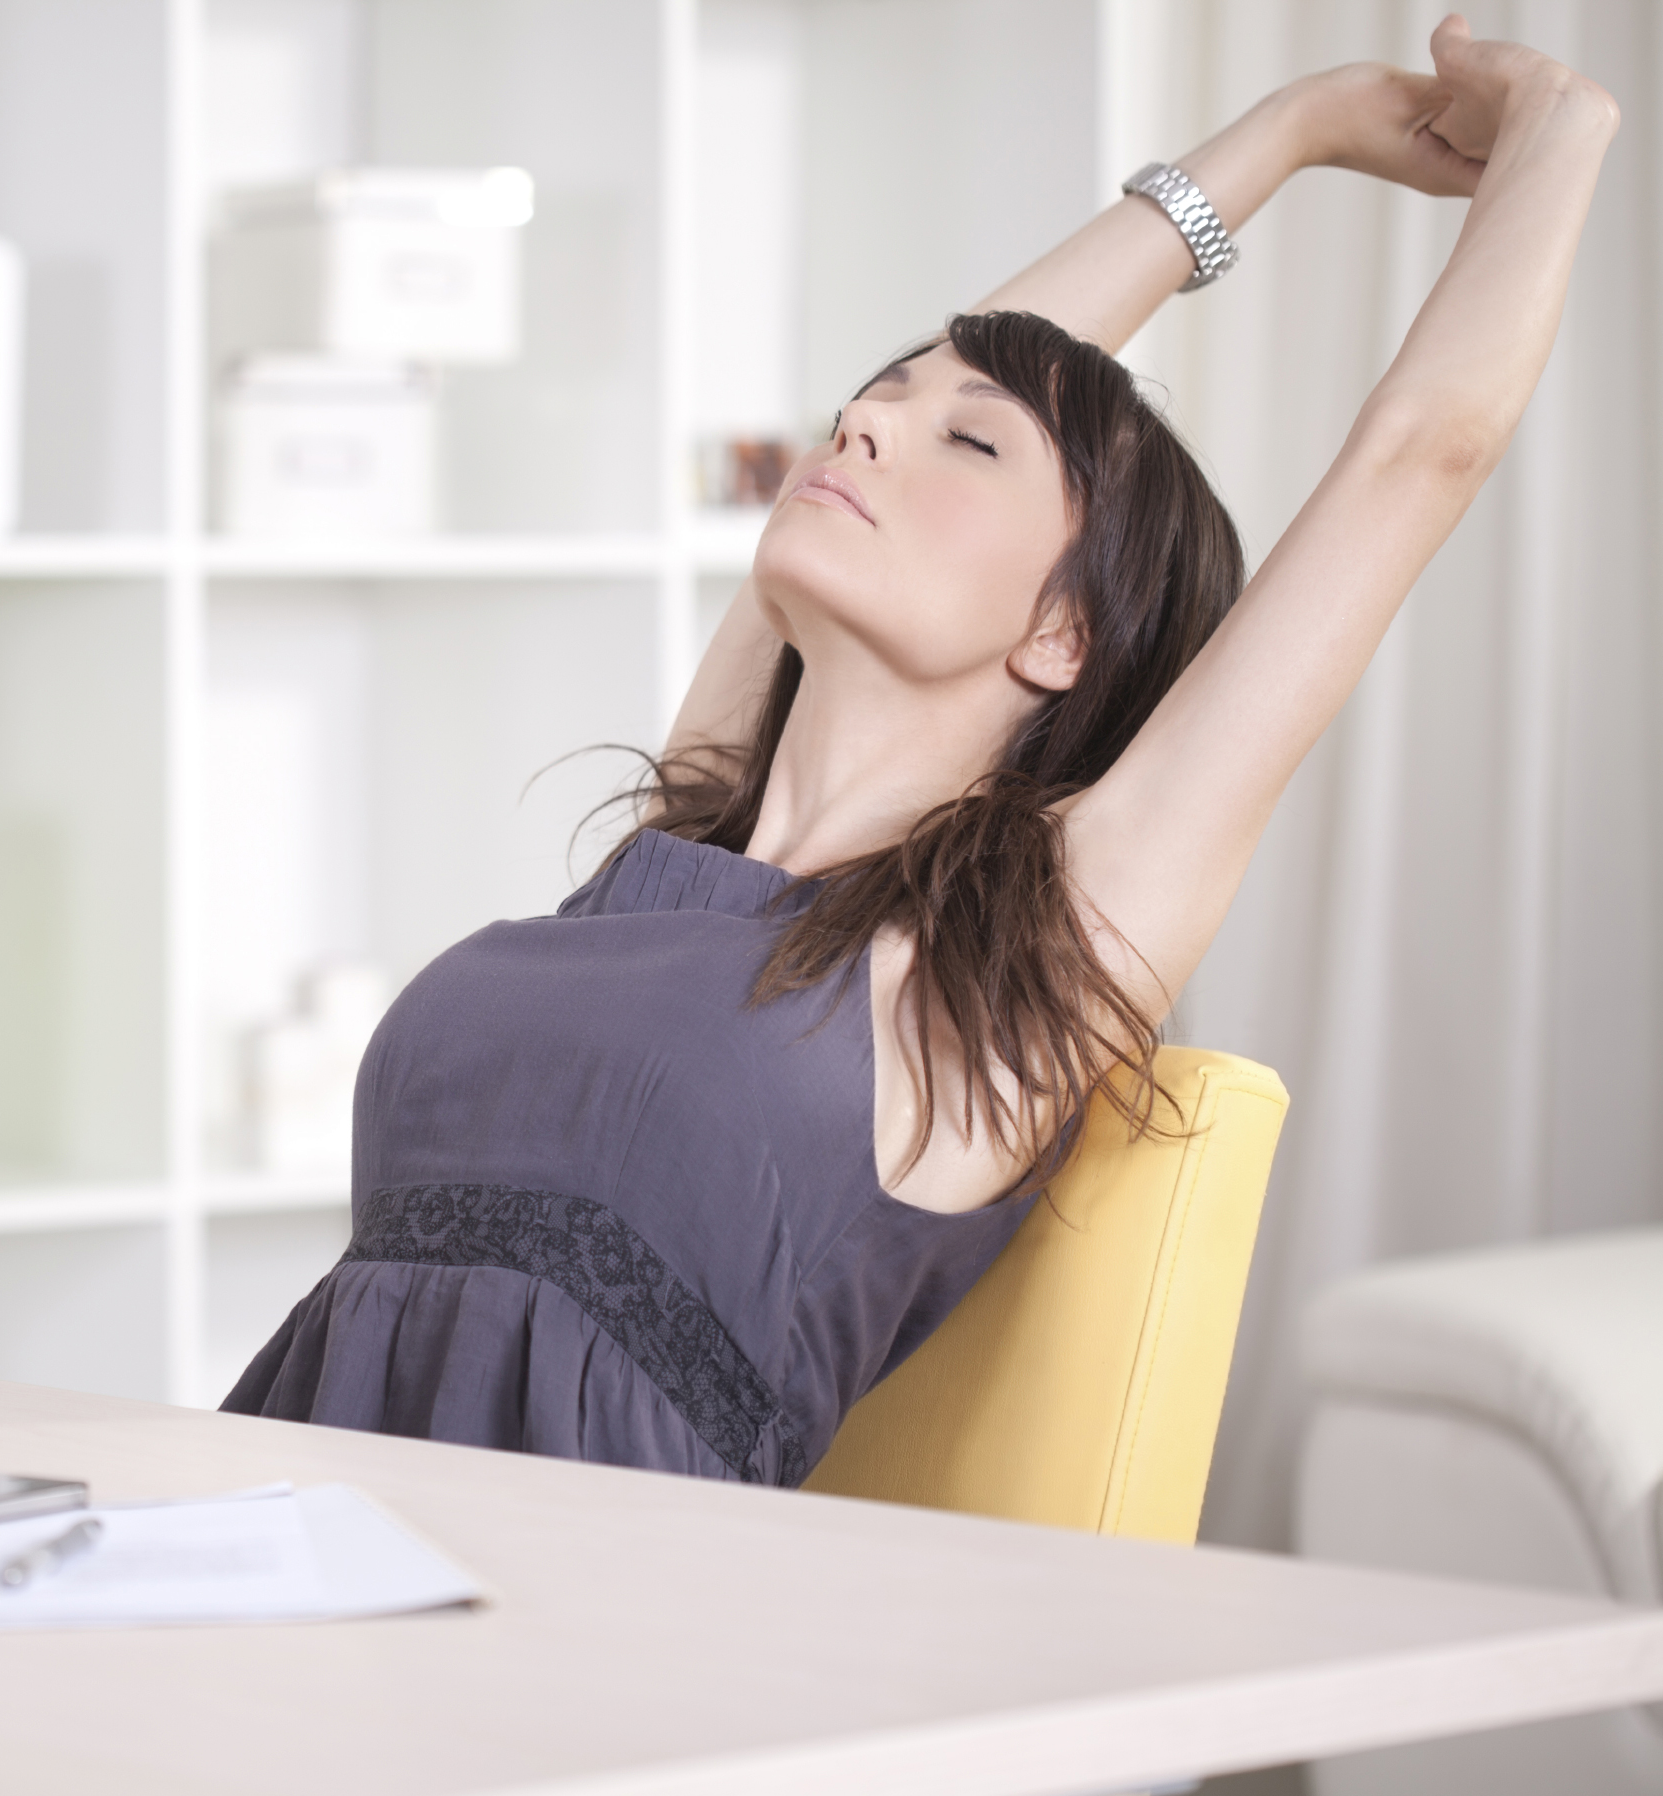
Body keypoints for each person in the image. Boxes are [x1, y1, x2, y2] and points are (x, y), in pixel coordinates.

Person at [222, 19, 1619, 1489]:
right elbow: (978, 363)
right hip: (296, 1562)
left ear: (1064, 637)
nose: (868, 432)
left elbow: (1420, 453)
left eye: (968, 447)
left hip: (580, 1660)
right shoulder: (681, 845)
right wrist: (1286, 130)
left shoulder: (1002, 979)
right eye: (863, 410)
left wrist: (1557, 132)